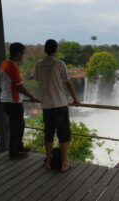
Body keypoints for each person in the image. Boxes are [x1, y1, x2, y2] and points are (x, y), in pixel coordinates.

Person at [34, 39, 80, 172]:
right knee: (63, 135)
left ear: (45, 50)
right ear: (56, 50)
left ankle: (49, 161)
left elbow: (37, 79)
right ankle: (64, 163)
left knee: (48, 134)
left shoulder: (39, 65)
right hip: (60, 104)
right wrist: (75, 99)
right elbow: (68, 83)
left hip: (46, 105)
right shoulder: (60, 64)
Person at [0, 42, 39, 159]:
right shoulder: (13, 67)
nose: (23, 55)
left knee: (19, 125)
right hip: (13, 101)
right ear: (18, 53)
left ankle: (18, 147)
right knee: (16, 127)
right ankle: (14, 152)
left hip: (5, 100)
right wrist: (32, 97)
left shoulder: (4, 64)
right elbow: (19, 86)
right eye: (22, 53)